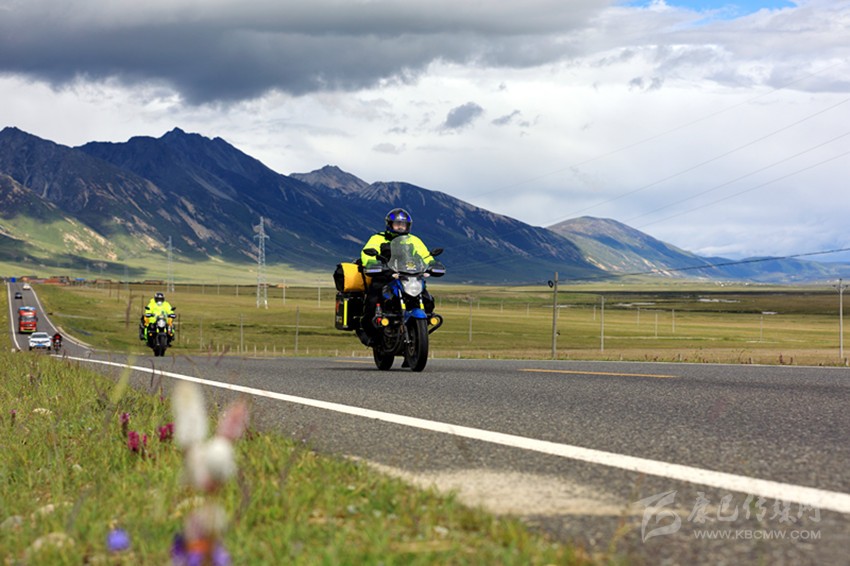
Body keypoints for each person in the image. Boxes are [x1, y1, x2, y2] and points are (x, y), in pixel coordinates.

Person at [358, 208, 434, 345]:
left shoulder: (414, 240)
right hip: (385, 276)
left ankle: (418, 329)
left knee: (427, 299)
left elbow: (425, 256)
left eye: (403, 224)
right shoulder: (378, 238)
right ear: (390, 224)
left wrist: (433, 264)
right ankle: (369, 331)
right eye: (397, 224)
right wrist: (372, 263)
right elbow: (367, 254)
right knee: (373, 299)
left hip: (409, 277)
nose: (400, 227)